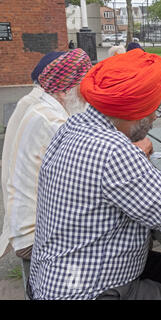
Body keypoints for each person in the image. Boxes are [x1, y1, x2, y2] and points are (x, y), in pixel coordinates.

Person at [27, 49, 161, 300]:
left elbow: (126, 185)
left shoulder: (74, 126)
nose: (153, 118)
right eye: (154, 110)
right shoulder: (115, 151)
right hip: (83, 292)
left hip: (52, 277)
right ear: (135, 112)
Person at [0, 49, 92, 261]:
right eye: (84, 89)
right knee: (127, 230)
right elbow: (91, 174)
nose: (88, 97)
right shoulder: (53, 122)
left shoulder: (44, 108)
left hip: (28, 228)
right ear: (63, 91)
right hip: (34, 239)